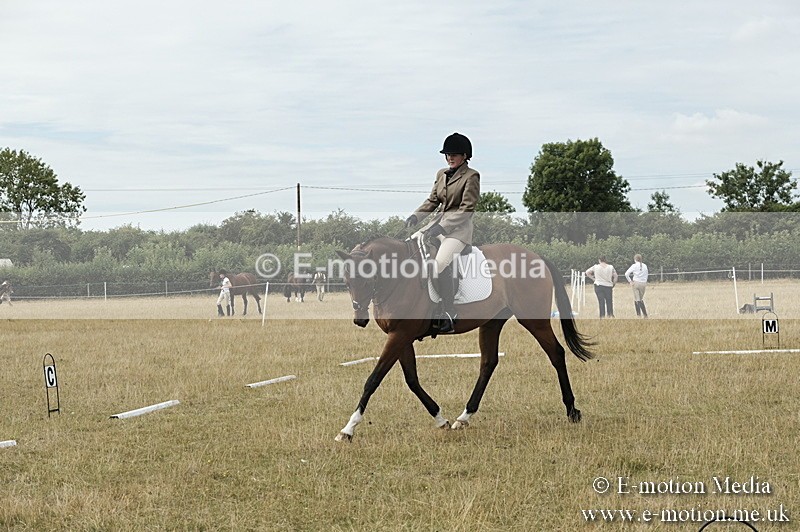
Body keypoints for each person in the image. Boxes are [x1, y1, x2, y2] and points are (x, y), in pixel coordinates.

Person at [405, 132, 480, 333]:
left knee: (438, 265)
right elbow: (432, 201)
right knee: (410, 245)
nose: (449, 158)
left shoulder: (472, 176)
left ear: (464, 155)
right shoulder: (441, 174)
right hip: (436, 226)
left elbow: (467, 209)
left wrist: (443, 227)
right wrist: (415, 217)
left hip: (458, 231)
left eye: (454, 154)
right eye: (447, 154)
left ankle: (449, 311)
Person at [624, 254, 649, 318]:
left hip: (636, 283)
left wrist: (630, 281)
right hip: (643, 283)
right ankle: (645, 314)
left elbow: (626, 274)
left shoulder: (634, 266)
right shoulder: (645, 265)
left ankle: (638, 314)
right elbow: (646, 275)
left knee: (636, 299)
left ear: (635, 259)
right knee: (640, 299)